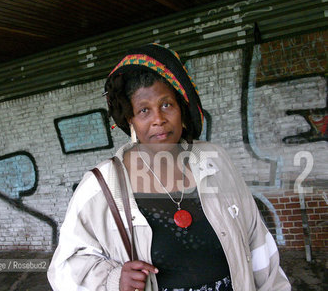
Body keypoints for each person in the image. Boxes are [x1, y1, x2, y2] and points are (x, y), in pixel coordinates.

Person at [47, 44, 291, 291]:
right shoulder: (101, 185)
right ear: (130, 118)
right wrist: (112, 280)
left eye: (166, 105)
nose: (158, 119)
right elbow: (64, 269)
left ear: (181, 109)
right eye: (144, 110)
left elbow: (257, 244)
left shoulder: (215, 161)